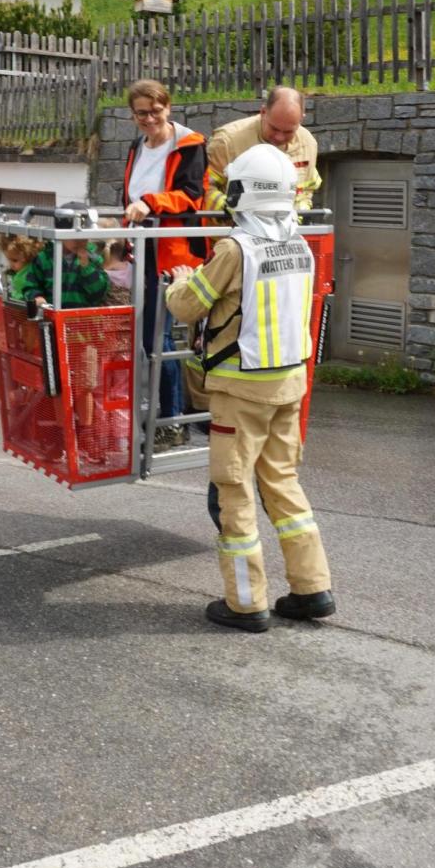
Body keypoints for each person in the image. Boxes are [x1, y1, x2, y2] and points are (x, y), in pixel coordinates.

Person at [167, 143, 335, 633]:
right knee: (282, 483)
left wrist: (182, 279)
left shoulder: (235, 248)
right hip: (289, 381)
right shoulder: (299, 244)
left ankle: (245, 603)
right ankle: (312, 589)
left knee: (235, 489)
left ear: (244, 193)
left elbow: (187, 307)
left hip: (241, 390)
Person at [121, 79, 206, 448]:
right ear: (133, 115)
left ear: (168, 108)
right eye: (142, 113)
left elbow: (191, 195)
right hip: (141, 249)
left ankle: (172, 422)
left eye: (156, 111)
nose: (150, 118)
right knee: (145, 339)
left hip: (173, 255)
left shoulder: (189, 143)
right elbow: (127, 196)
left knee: (161, 338)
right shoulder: (136, 145)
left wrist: (151, 203)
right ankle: (161, 414)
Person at [205, 85, 320, 217]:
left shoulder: (308, 144)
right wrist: (230, 209)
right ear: (263, 112)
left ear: (301, 119)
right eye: (274, 129)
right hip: (232, 232)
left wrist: (300, 211)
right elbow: (205, 188)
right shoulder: (227, 141)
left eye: (288, 131)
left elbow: (307, 188)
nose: (279, 137)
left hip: (287, 233)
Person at [19, 205, 110, 309]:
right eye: (74, 237)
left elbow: (99, 293)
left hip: (82, 320)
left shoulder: (93, 258)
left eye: (85, 237)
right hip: (51, 320)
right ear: (60, 234)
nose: (80, 241)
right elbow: (30, 286)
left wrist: (86, 266)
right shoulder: (44, 258)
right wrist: (36, 297)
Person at [0, 233, 43, 301]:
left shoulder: (27, 275)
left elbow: (23, 294)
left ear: (28, 258)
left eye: (15, 260)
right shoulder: (20, 272)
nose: (11, 264)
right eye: (9, 259)